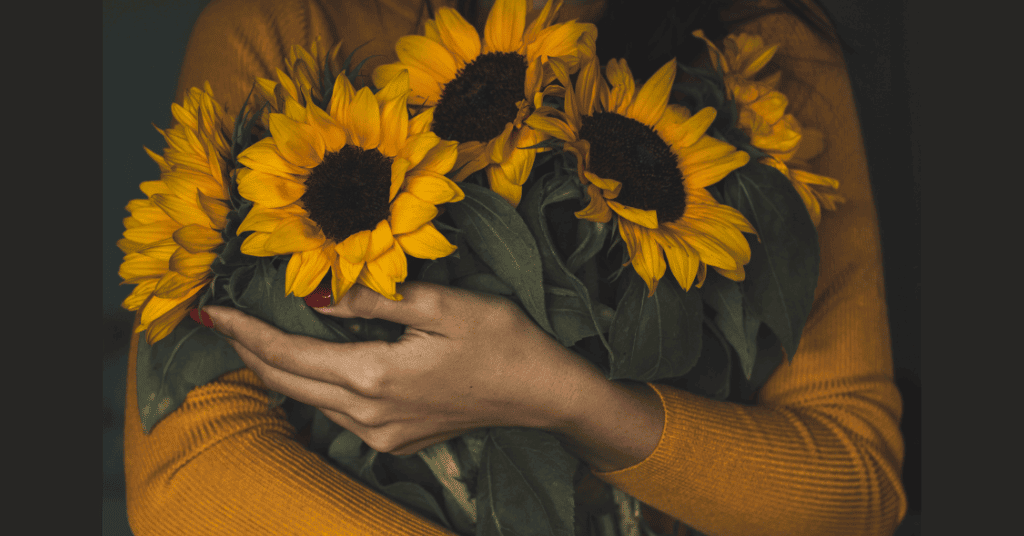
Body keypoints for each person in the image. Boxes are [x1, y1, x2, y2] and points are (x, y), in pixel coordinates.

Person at [123, 1, 908, 534]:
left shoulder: (762, 49)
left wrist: (560, 397)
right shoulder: (288, 20)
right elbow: (187, 473)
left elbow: (854, 487)